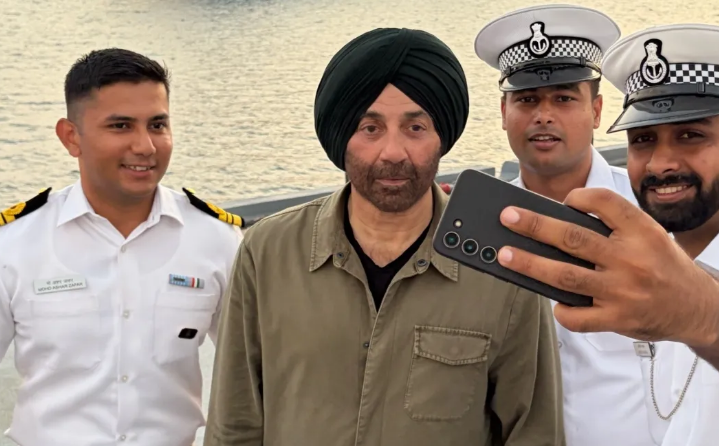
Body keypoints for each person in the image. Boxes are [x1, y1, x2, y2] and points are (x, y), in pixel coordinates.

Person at [203, 28, 564, 446]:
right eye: (370, 128)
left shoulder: (503, 267)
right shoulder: (267, 253)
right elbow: (234, 425)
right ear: (342, 136)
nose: (393, 152)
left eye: (415, 128)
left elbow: (534, 433)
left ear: (441, 138)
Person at [492, 22, 719, 441]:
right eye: (643, 139)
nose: (660, 163)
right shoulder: (653, 259)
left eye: (691, 135)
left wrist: (698, 310)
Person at [0, 48, 244, 446]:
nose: (145, 146)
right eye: (121, 126)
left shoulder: (217, 240)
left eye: (158, 125)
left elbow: (257, 369)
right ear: (71, 137)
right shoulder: (13, 244)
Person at [473, 6, 655, 446]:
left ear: (597, 110)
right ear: (503, 111)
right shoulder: (478, 227)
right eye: (527, 99)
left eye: (564, 98)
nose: (544, 115)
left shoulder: (649, 215)